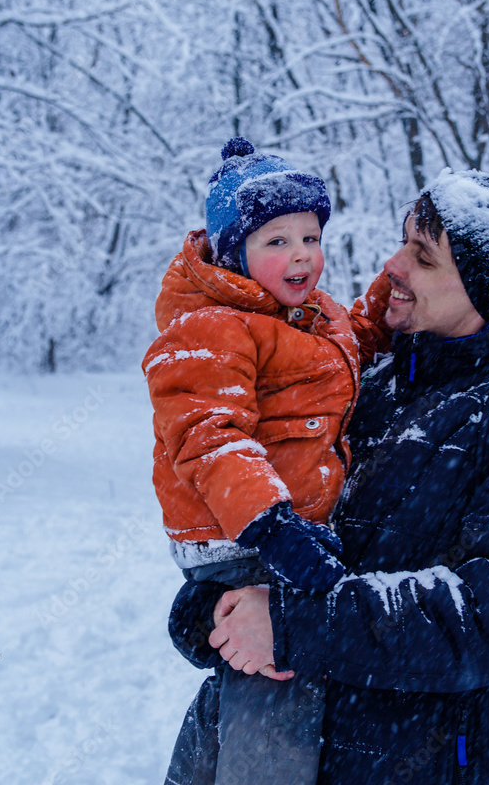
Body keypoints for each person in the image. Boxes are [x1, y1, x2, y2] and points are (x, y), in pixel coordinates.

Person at [172, 167, 489, 785]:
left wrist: (291, 625)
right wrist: (213, 611)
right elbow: (272, 526)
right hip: (256, 739)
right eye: (403, 241)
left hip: (424, 762)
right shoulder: (372, 380)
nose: (393, 265)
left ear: (483, 289)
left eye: (422, 256)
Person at [142, 137, 389, 785]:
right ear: (233, 252)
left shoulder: (308, 314)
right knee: (278, 668)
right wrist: (273, 527)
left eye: (309, 236)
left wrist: (396, 289)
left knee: (244, 677)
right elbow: (210, 436)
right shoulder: (211, 328)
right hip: (239, 536)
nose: (301, 254)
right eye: (276, 241)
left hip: (276, 529)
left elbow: (353, 343)